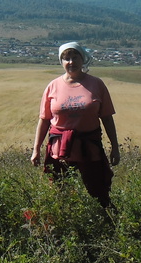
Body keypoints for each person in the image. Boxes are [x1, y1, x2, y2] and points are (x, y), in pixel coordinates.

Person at [31, 42, 120, 218]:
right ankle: (63, 224)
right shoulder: (53, 86)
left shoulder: (96, 84)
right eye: (66, 58)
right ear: (61, 61)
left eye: (75, 57)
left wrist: (115, 147)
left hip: (90, 146)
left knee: (99, 189)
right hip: (60, 148)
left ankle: (109, 223)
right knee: (59, 189)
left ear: (82, 59)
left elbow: (107, 118)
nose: (71, 62)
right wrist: (36, 150)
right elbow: (44, 120)